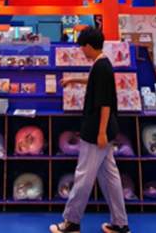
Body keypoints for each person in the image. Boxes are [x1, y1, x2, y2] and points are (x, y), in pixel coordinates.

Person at [51, 27, 131, 233]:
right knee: (110, 178)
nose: (81, 51)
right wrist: (72, 80)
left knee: (84, 177)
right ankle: (120, 224)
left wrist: (101, 132)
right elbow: (94, 82)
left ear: (88, 46)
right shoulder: (102, 65)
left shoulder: (101, 67)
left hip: (96, 132)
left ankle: (71, 222)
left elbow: (105, 103)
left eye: (81, 47)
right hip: (101, 131)